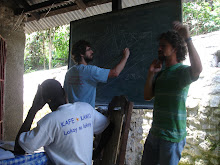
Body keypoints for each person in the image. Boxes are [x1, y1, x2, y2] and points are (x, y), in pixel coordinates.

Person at [142, 21, 202, 165]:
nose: (159, 48)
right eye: (159, 45)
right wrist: (151, 74)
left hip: (172, 138)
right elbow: (147, 96)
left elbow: (197, 69)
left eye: (164, 46)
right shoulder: (161, 74)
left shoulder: (182, 72)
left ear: (174, 48)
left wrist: (187, 38)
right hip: (154, 133)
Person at [14, 79, 110, 165]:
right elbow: (108, 126)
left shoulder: (50, 121)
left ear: (45, 102)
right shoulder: (86, 108)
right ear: (64, 92)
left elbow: (20, 149)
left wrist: (34, 109)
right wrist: (96, 153)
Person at [64, 40, 130, 107]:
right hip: (87, 114)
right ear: (81, 54)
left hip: (73, 113)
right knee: (106, 117)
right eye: (89, 50)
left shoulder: (69, 72)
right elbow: (115, 72)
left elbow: (65, 95)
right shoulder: (90, 70)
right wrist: (125, 57)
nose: (92, 52)